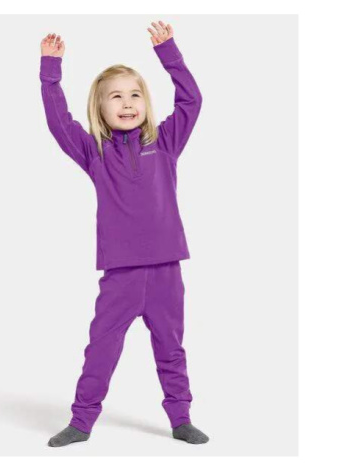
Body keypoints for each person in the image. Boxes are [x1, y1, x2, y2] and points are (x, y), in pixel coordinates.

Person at [39, 20, 210, 446]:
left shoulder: (166, 142)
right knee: (101, 348)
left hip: (167, 269)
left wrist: (169, 54)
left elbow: (192, 100)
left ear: (145, 103)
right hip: (121, 275)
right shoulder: (94, 152)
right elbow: (59, 122)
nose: (128, 103)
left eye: (135, 95)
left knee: (171, 348)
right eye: (116, 96)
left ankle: (181, 419)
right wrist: (50, 71)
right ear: (100, 108)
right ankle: (81, 422)